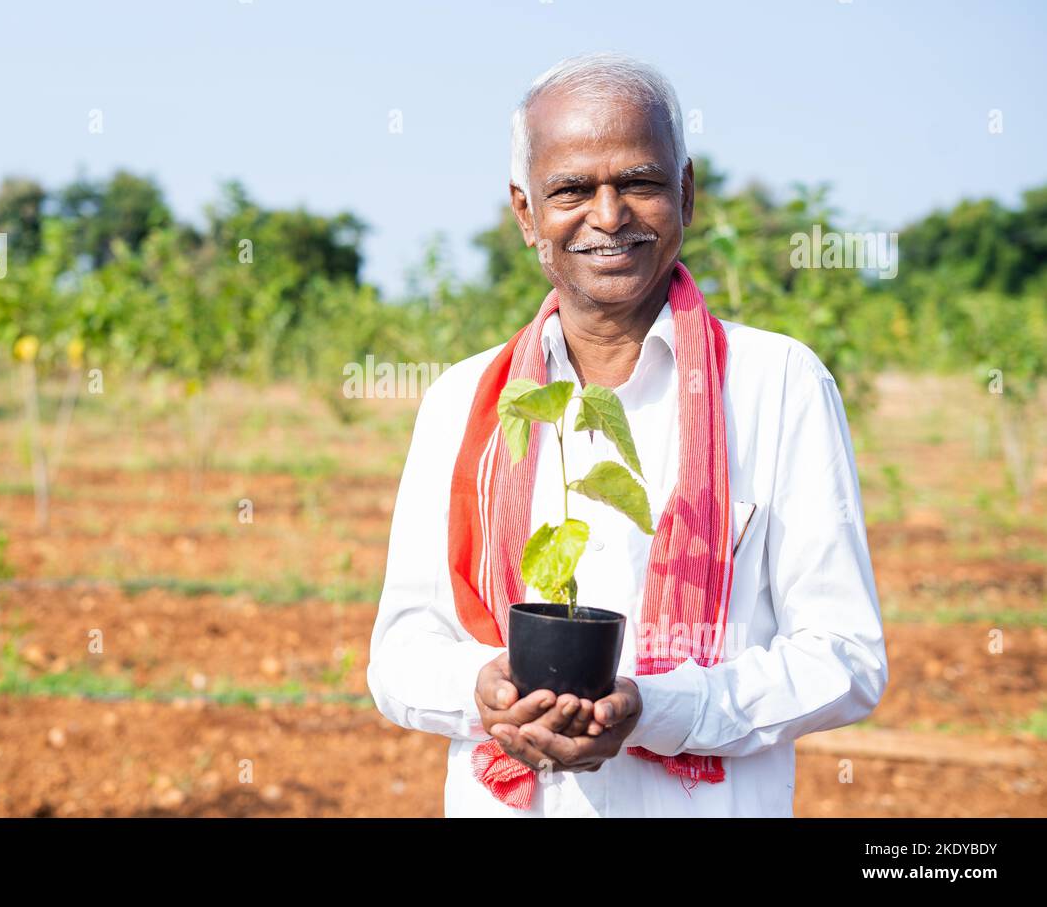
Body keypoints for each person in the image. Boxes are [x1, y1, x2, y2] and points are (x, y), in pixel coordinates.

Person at [366, 53, 888, 817]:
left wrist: (662, 709)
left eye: (638, 183)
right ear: (524, 213)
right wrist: (482, 691)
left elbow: (844, 657)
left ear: (685, 192)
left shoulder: (778, 384)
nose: (608, 216)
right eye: (571, 190)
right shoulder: (463, 403)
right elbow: (400, 657)